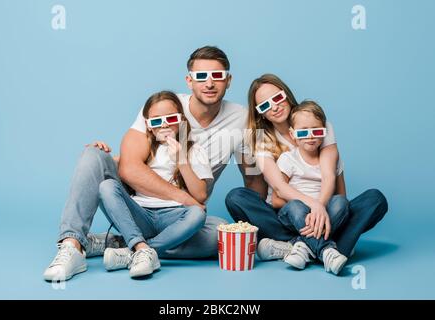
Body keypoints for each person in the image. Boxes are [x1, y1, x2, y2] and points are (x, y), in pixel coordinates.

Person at [43, 46, 263, 281]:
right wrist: (187, 199)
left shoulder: (245, 119)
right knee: (93, 154)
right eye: (201, 76)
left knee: (219, 237)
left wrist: (266, 227)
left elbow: (253, 178)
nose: (209, 83)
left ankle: (128, 247)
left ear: (229, 80)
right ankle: (72, 245)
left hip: (180, 216)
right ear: (189, 81)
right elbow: (129, 168)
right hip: (146, 206)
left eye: (217, 76)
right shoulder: (165, 105)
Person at [225, 74, 388, 264]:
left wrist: (321, 206)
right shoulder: (262, 139)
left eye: (277, 98)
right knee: (236, 197)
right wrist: (314, 205)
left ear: (286, 95)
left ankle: (298, 247)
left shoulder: (320, 125)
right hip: (288, 213)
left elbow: (329, 176)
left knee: (375, 199)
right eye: (265, 105)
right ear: (260, 112)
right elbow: (279, 188)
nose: (274, 107)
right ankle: (331, 247)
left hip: (327, 208)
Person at [98, 91, 212, 278]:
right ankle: (141, 248)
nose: (165, 124)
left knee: (198, 214)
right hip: (140, 213)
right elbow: (122, 171)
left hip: (175, 217)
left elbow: (200, 196)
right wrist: (103, 153)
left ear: (182, 120)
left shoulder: (195, 150)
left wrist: (181, 159)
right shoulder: (144, 150)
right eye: (157, 121)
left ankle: (135, 250)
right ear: (148, 127)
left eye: (171, 118)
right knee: (106, 186)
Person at [272, 101, 349, 275]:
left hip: (324, 216)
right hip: (295, 216)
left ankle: (303, 246)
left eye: (317, 131)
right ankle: (327, 251)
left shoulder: (332, 160)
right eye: (303, 132)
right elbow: (277, 198)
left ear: (325, 133)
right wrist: (313, 208)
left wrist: (321, 210)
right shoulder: (287, 159)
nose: (311, 137)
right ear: (292, 134)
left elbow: (341, 195)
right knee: (296, 206)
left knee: (341, 202)